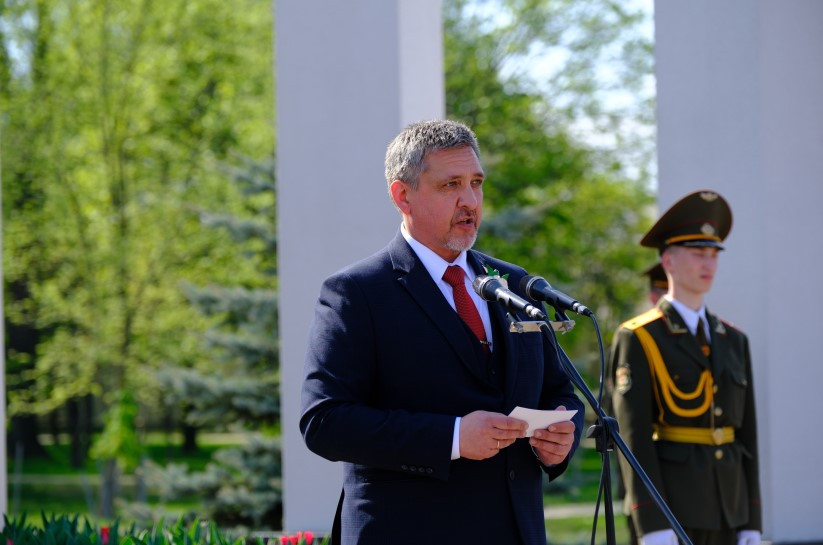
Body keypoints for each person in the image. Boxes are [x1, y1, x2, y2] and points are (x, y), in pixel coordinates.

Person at [300, 119, 585, 545]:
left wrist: (562, 437)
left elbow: (559, 391)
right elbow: (324, 421)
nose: (470, 201)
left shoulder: (514, 283)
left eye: (476, 183)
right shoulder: (357, 292)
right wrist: (451, 437)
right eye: (451, 185)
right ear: (403, 196)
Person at [608, 190, 762, 545]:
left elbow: (747, 436)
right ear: (668, 261)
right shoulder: (640, 336)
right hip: (674, 510)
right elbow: (633, 439)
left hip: (731, 509)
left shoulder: (733, 339)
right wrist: (652, 522)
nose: (708, 264)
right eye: (697, 253)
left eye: (714, 254)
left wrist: (752, 520)